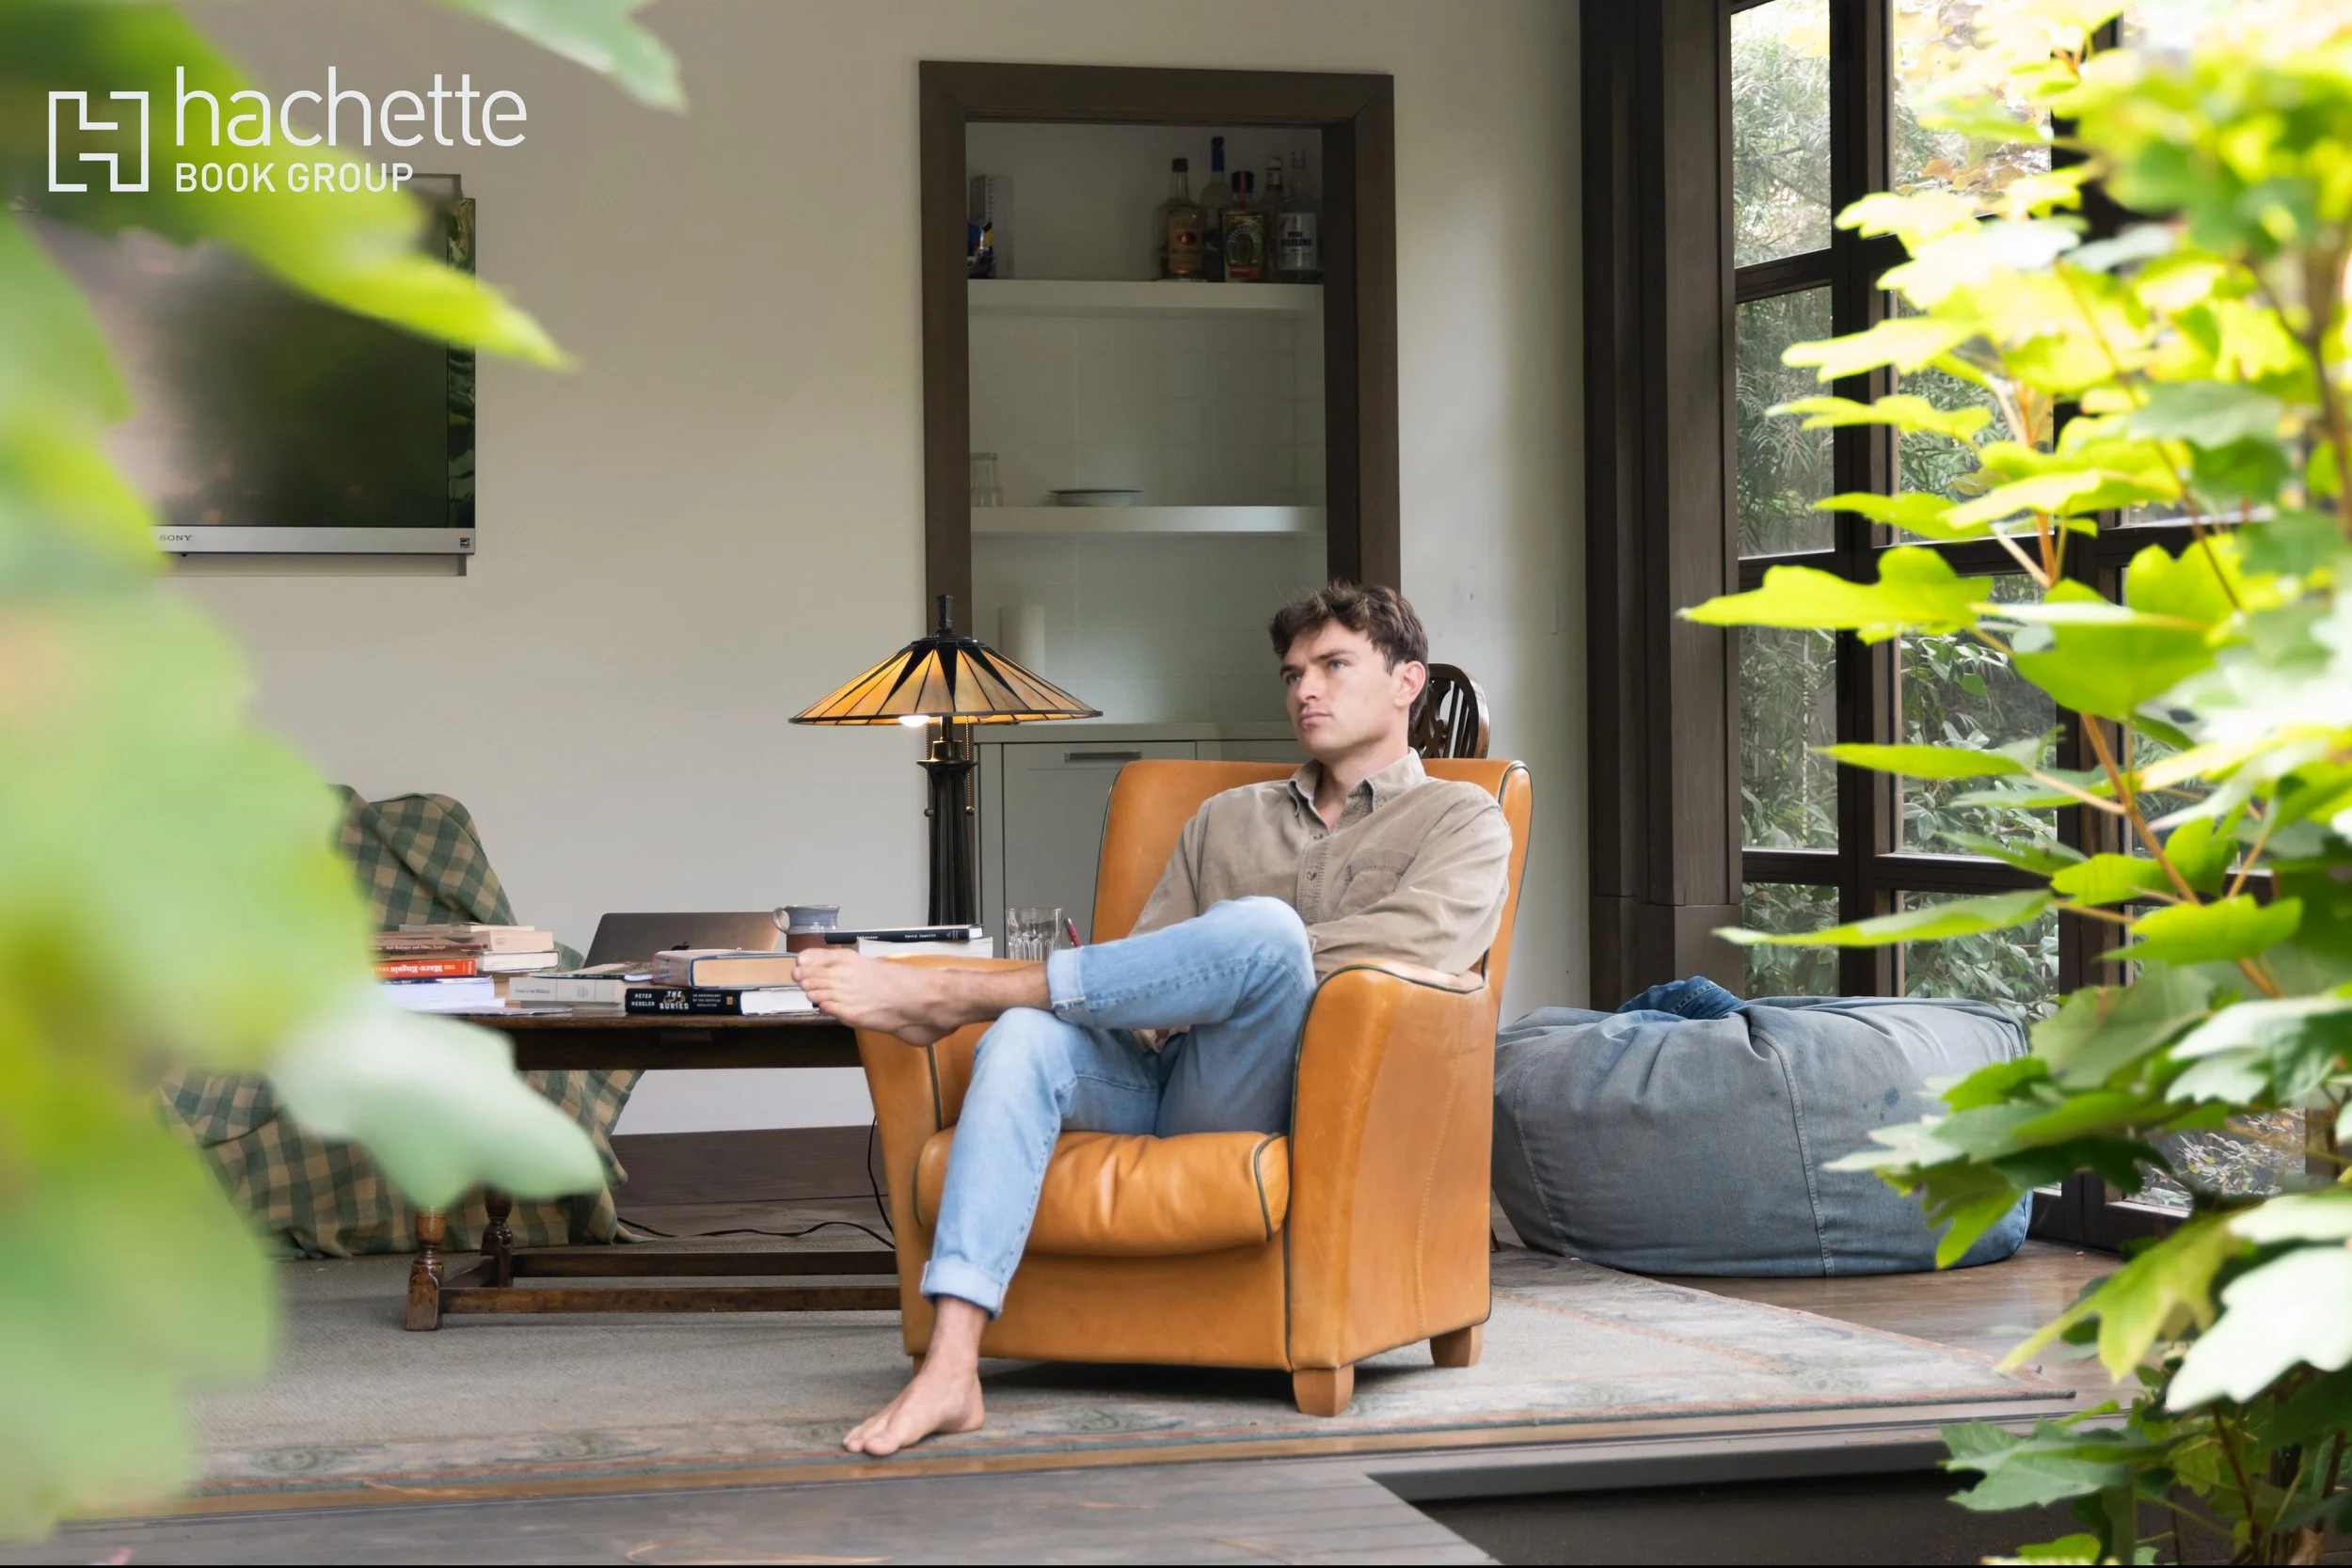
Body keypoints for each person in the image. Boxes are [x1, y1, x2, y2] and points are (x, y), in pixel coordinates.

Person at [798, 582, 1513, 1456]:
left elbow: (1413, 956)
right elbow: (1140, 982)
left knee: (1266, 934)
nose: (1305, 691)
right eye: (1292, 674)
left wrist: (1242, 966)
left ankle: (967, 992)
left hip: (1293, 1095)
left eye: (1332, 666)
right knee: (1024, 1038)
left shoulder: (1462, 818)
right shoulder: (1224, 819)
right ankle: (951, 1367)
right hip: (1169, 1077)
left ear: (1408, 681)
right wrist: (1182, 980)